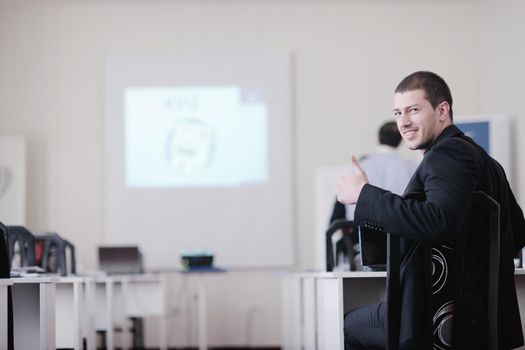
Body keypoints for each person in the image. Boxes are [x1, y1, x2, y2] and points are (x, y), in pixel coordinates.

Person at [336, 71, 525, 349]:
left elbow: (439, 220)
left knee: (346, 325)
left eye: (413, 110)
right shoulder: (483, 159)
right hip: (479, 318)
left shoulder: (448, 154)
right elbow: (518, 232)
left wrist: (364, 196)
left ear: (442, 110)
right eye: (398, 113)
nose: (404, 122)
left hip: (438, 316)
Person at [329, 121, 418, 270]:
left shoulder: (361, 166)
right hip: (402, 245)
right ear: (401, 139)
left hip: (362, 245)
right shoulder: (413, 167)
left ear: (378, 138)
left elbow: (342, 204)